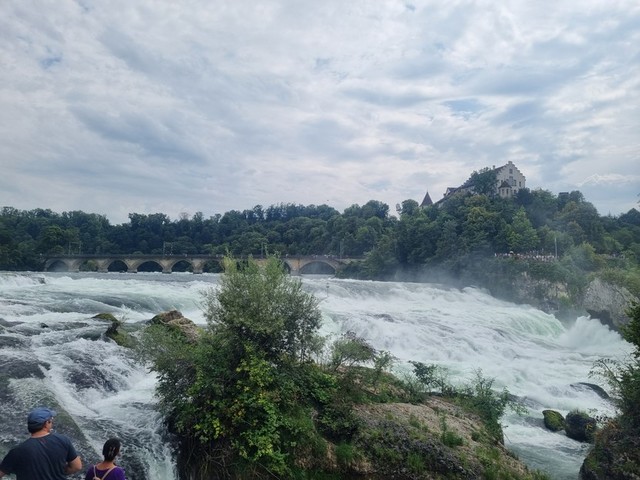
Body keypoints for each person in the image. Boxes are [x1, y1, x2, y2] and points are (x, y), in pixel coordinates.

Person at [0, 407, 82, 479]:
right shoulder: (63, 440)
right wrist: (59, 472)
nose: (52, 423)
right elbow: (77, 466)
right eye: (51, 420)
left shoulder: (17, 451)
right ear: (46, 424)